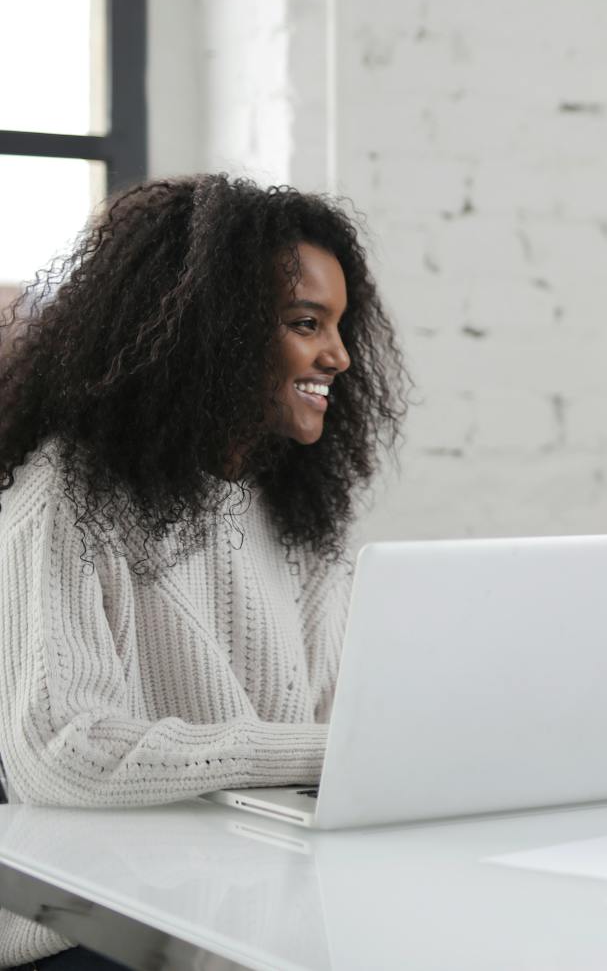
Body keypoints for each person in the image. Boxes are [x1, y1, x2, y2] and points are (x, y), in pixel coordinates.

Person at [0, 175, 408, 968]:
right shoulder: (60, 504)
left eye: (340, 323)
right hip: (90, 931)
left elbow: (335, 727)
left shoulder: (296, 515)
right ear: (211, 332)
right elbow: (62, 752)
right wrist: (336, 750)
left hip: (252, 910)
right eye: (304, 322)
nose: (340, 354)